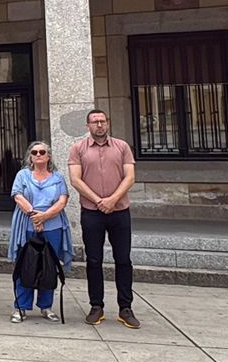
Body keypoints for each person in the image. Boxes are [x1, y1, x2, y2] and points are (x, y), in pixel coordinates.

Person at [68, 109, 140, 329]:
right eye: (95, 121)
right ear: (87, 125)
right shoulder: (78, 149)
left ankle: (125, 308)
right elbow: (75, 179)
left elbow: (130, 176)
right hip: (91, 211)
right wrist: (99, 200)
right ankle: (96, 306)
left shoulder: (122, 147)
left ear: (108, 124)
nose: (99, 125)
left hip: (119, 211)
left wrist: (112, 199)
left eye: (102, 121)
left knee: (123, 259)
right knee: (94, 260)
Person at [9, 140, 71, 323]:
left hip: (53, 226)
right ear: (30, 156)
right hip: (27, 225)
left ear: (48, 156)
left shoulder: (58, 177)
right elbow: (17, 195)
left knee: (49, 267)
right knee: (25, 266)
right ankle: (21, 307)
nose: (38, 155)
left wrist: (44, 217)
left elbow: (62, 200)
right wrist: (34, 215)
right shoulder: (22, 175)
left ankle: (46, 306)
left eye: (42, 152)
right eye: (34, 152)